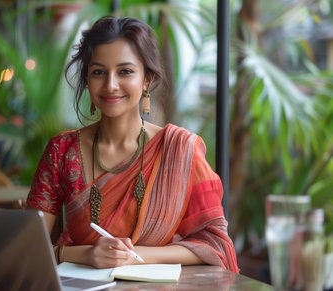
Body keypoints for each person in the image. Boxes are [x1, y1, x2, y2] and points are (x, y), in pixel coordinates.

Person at [26, 16, 239, 273]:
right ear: (87, 80)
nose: (111, 85)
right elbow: (27, 249)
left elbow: (215, 244)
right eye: (98, 72)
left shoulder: (180, 150)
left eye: (125, 71)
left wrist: (134, 256)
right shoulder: (61, 152)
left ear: (147, 79)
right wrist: (87, 254)